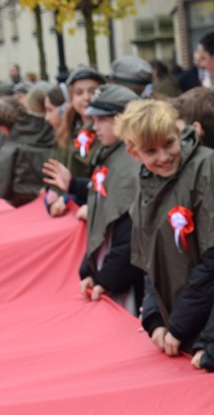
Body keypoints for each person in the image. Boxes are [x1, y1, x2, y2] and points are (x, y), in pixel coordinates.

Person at [114, 99, 214, 354]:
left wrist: (179, 325)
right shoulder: (146, 183)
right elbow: (150, 261)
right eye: (151, 151)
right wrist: (155, 320)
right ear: (134, 153)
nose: (164, 157)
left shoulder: (207, 167)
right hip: (179, 331)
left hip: (213, 328)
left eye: (169, 143)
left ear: (178, 132)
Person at [75, 84, 145, 315]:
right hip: (111, 274)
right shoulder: (110, 155)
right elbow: (102, 217)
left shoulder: (129, 165)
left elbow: (129, 234)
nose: (94, 128)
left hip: (128, 283)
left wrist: (104, 279)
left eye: (101, 120)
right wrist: (90, 270)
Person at [43, 66, 105, 217]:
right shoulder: (68, 129)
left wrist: (68, 198)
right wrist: (52, 199)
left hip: (89, 207)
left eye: (92, 91)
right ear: (71, 98)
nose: (86, 97)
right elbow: (57, 169)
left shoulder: (106, 133)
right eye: (79, 93)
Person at [0, 96, 56, 207]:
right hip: (49, 202)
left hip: (19, 206)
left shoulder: (9, 150)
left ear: (2, 127)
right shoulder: (49, 130)